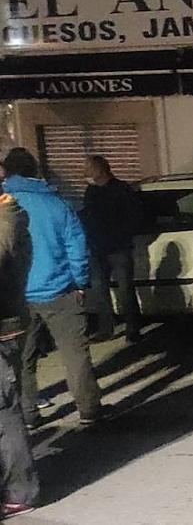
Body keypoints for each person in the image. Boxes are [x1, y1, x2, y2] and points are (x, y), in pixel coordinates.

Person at [1, 148, 104, 428]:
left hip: (16, 296)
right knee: (75, 355)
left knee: (22, 359)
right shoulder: (57, 203)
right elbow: (77, 246)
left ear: (7, 172)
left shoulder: (4, 204)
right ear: (35, 170)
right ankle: (89, 410)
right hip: (60, 290)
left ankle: (28, 414)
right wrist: (80, 282)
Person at [0, 192, 38, 518]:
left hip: (3, 328)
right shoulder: (9, 218)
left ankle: (19, 490)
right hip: (9, 323)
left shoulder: (5, 223)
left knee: (4, 411)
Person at [80, 155, 145, 343]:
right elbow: (88, 216)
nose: (85, 173)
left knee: (125, 290)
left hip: (118, 248)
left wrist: (120, 236)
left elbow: (135, 218)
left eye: (88, 169)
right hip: (98, 249)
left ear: (99, 170)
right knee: (100, 291)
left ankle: (133, 328)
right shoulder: (91, 191)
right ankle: (106, 328)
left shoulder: (121, 190)